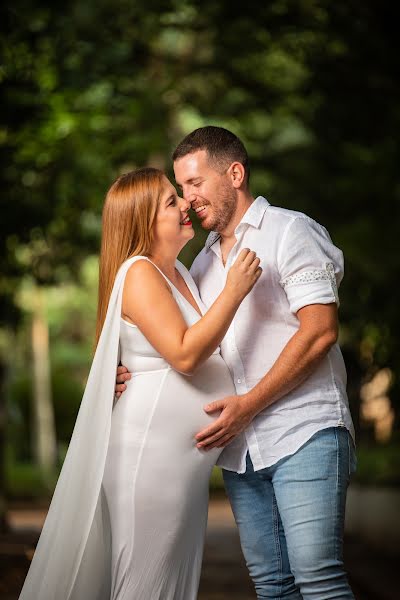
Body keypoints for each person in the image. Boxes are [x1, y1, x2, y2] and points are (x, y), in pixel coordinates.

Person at [117, 127, 356, 599]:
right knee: (271, 585)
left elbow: (320, 332)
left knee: (318, 577)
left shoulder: (291, 231)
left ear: (235, 173)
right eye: (181, 189)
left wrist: (248, 404)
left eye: (196, 183)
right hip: (240, 451)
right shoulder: (200, 266)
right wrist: (129, 375)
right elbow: (189, 346)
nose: (187, 199)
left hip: (304, 430)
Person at [18, 167, 261, 600]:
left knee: (169, 584)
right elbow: (186, 354)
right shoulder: (139, 272)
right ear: (143, 221)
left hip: (179, 467)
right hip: (150, 462)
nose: (186, 204)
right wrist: (234, 290)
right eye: (171, 201)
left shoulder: (179, 275)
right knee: (145, 586)